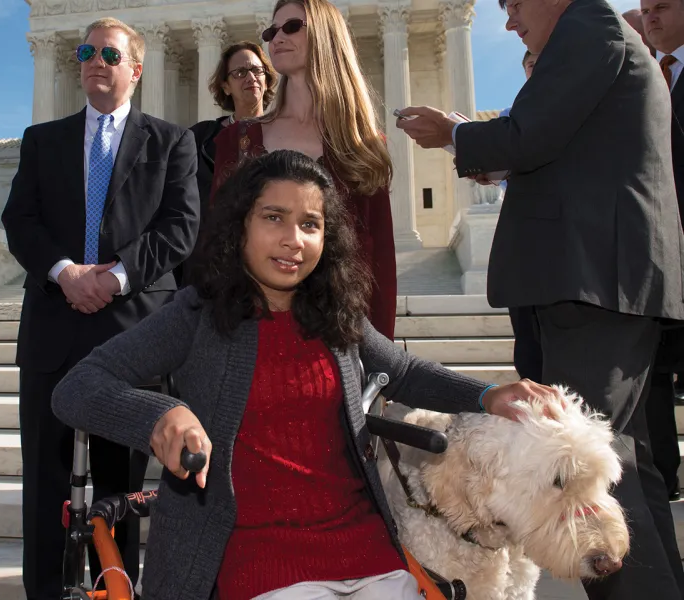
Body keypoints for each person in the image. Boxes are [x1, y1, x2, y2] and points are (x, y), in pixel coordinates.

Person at [51, 150, 558, 600]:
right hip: (257, 555)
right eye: (274, 217)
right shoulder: (197, 313)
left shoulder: (333, 313)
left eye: (310, 224)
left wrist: (490, 394)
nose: (293, 240)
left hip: (364, 547)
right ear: (240, 226)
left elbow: (402, 371)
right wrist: (163, 413)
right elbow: (77, 387)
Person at [396, 0, 684, 597]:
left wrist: (455, 134)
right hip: (589, 280)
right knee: (626, 466)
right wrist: (487, 155)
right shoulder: (589, 41)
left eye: (515, 4)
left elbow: (529, 135)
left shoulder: (589, 26)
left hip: (591, 282)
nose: (508, 22)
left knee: (580, 476)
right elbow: (558, 148)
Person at [1, 16, 200, 600]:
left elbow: (181, 229)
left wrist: (111, 279)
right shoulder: (43, 139)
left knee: (120, 489)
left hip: (132, 337)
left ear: (135, 69)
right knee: (45, 486)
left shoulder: (171, 141)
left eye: (109, 54)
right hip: (53, 331)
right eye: (86, 51)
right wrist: (66, 273)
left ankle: (113, 590)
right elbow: (20, 222)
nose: (93, 60)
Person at [208, 0, 398, 339]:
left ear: (326, 35)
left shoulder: (363, 144)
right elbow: (216, 245)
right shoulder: (238, 140)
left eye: (292, 26)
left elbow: (378, 256)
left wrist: (378, 353)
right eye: (272, 30)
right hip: (250, 330)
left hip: (336, 331)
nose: (277, 37)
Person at [177, 41, 276, 285]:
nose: (251, 77)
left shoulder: (286, 136)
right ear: (226, 86)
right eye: (240, 73)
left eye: (257, 70)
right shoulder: (199, 139)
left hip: (269, 261)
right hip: (210, 266)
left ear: (267, 79)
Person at [642, 0, 684, 501]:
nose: (650, 17)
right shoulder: (655, 76)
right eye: (644, 8)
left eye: (661, 7)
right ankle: (663, 477)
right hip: (659, 256)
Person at [492, 50, 542, 384]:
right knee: (528, 345)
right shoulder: (511, 116)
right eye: (530, 65)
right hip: (523, 235)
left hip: (560, 241)